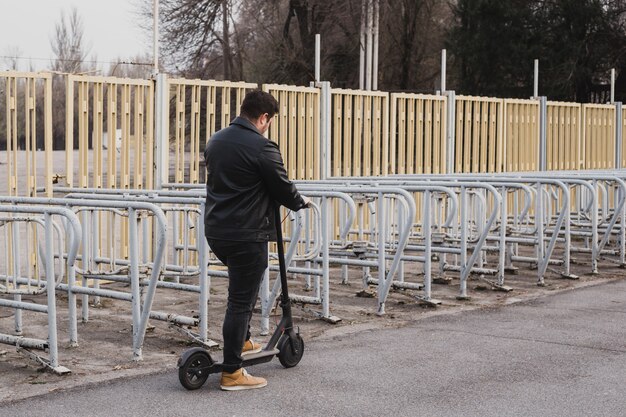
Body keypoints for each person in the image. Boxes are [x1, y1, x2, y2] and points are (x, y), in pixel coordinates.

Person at [203, 90, 310, 391]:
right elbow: (282, 186)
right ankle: (232, 373)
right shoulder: (262, 147)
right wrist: (300, 201)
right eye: (269, 121)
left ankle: (245, 340)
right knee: (239, 300)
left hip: (217, 231)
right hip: (247, 234)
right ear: (264, 118)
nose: (268, 126)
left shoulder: (216, 140)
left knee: (242, 290)